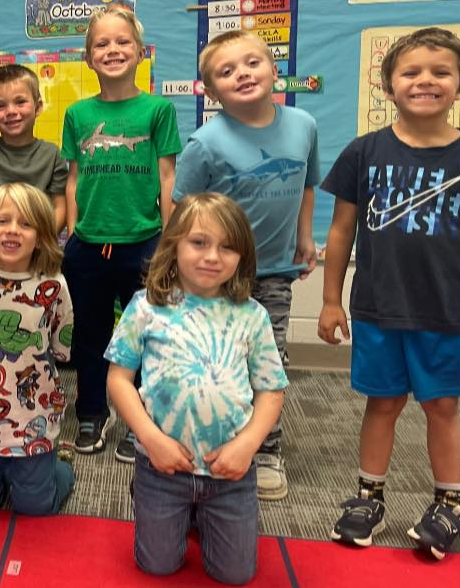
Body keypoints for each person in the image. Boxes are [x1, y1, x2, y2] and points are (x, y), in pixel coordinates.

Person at [318, 27, 460, 560]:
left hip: (447, 310)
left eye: (440, 72)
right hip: (377, 307)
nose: (425, 81)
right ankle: (368, 497)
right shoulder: (364, 151)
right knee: (383, 403)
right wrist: (330, 299)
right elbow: (340, 231)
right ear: (388, 85)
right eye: (411, 72)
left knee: (442, 406)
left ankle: (449, 506)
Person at [106, 192, 287, 586]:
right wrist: (151, 439)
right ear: (173, 246)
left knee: (236, 574)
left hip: (230, 472)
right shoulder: (146, 307)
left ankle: (202, 515)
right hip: (161, 467)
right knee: (157, 565)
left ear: (242, 255)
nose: (212, 256)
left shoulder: (252, 316)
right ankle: (161, 505)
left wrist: (248, 445)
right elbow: (118, 380)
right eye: (199, 242)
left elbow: (272, 391)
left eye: (227, 247)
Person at [171, 30, 321, 500]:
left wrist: (304, 237)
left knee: (269, 362)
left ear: (274, 69)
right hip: (214, 274)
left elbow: (307, 185)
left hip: (275, 270)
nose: (243, 74)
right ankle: (198, 432)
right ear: (211, 91)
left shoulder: (304, 125)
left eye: (253, 63)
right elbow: (181, 210)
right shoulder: (204, 142)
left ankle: (266, 449)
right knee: (210, 357)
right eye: (227, 71)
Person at [61, 5, 181, 462]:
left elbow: (167, 177)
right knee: (90, 336)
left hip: (144, 241)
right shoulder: (77, 113)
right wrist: (73, 230)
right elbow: (73, 177)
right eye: (101, 44)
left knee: (146, 337)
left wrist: (170, 240)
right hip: (88, 244)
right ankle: (92, 412)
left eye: (122, 42)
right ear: (88, 57)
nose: (112, 50)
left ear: (139, 51)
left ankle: (141, 418)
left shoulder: (158, 109)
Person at [0, 182, 74, 516]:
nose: (13, 231)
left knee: (35, 507)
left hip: (32, 412)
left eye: (26, 224)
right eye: (2, 221)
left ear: (41, 235)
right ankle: (4, 470)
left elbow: (61, 345)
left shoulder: (53, 284)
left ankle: (60, 470)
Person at [0, 64, 67, 226]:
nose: (11, 111)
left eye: (20, 102)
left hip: (39, 244)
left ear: (38, 107)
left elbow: (60, 207)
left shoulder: (52, 154)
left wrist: (41, 242)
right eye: (0, 106)